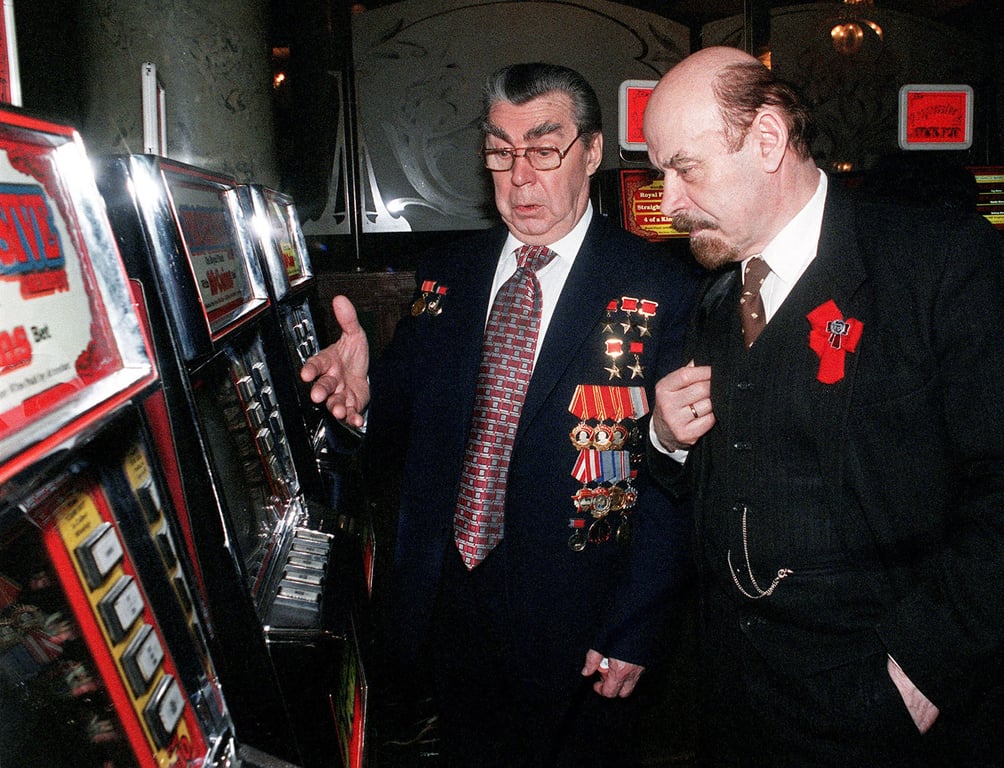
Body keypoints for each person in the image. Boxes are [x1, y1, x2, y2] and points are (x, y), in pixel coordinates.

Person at [301, 62, 697, 766]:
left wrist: (637, 625)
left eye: (545, 151)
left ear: (594, 151)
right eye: (500, 153)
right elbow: (402, 423)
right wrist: (362, 402)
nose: (520, 178)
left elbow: (674, 475)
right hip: (453, 598)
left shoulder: (661, 285)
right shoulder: (447, 272)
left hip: (583, 614)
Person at [643, 45, 1004, 767]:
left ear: (769, 140)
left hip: (887, 704)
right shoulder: (711, 298)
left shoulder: (936, 262)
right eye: (661, 175)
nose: (670, 203)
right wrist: (664, 442)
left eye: (685, 168)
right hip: (737, 702)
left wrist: (925, 667)